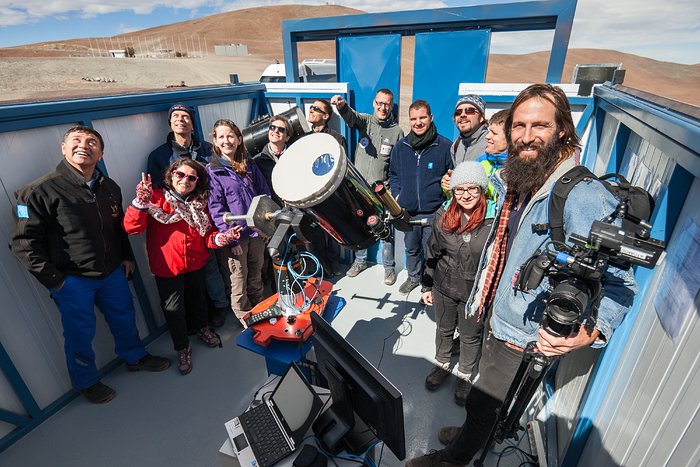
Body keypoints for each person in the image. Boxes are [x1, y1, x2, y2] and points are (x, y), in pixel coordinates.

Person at [405, 84, 637, 466]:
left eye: (540, 126)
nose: (527, 136)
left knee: (483, 400)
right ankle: (473, 436)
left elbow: (619, 283)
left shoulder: (582, 196)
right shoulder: (519, 179)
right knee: (485, 398)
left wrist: (592, 331)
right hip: (495, 310)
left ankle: (454, 457)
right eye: (519, 126)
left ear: (562, 129)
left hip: (522, 330)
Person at [10, 126, 171, 404]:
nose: (84, 145)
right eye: (77, 141)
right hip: (73, 281)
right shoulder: (38, 191)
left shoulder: (109, 187)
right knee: (79, 334)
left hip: (112, 274)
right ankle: (86, 382)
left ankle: (134, 357)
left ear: (101, 152)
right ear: (63, 148)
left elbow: (117, 227)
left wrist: (126, 256)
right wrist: (57, 281)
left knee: (124, 317)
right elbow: (24, 243)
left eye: (92, 142)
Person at [123, 160, 241, 375]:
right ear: (171, 175)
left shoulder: (200, 204)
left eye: (191, 178)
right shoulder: (155, 199)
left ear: (198, 182)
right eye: (180, 174)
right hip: (167, 268)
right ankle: (182, 347)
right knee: (174, 311)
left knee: (199, 301)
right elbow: (132, 228)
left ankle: (203, 329)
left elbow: (209, 238)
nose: (184, 180)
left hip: (196, 263)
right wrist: (141, 201)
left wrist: (223, 238)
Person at [146, 103, 230, 328]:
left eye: (185, 116)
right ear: (170, 123)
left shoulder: (208, 149)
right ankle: (194, 322)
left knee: (213, 266)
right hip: (177, 222)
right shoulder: (159, 155)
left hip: (207, 214)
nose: (180, 120)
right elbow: (156, 192)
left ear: (193, 123)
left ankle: (221, 306)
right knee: (191, 276)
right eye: (175, 116)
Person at [421, 161, 495, 406]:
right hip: (444, 286)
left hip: (474, 292)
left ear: (482, 189)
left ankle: (464, 375)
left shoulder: (493, 221)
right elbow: (431, 253)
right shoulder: (442, 216)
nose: (466, 195)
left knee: (469, 337)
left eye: (472, 189)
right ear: (452, 192)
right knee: (443, 329)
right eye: (459, 189)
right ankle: (441, 365)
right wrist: (426, 286)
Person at [331, 89, 404, 285]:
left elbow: (397, 165)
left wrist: (394, 191)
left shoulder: (397, 132)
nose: (383, 107)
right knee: (359, 226)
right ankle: (360, 261)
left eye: (387, 104)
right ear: (374, 103)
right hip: (358, 188)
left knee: (385, 230)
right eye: (379, 103)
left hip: (382, 191)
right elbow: (351, 117)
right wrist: (342, 105)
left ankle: (389, 269)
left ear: (391, 105)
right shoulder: (366, 122)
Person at [208, 119, 272, 324]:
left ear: (238, 139)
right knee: (238, 279)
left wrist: (264, 228)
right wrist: (232, 240)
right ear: (216, 141)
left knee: (256, 273)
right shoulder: (213, 172)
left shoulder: (249, 164)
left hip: (256, 233)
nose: (227, 141)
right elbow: (216, 209)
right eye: (222, 137)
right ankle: (245, 317)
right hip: (236, 239)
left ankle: (259, 305)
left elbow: (264, 195)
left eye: (230, 136)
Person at [388, 99, 453, 295]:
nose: (418, 122)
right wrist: (397, 194)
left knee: (431, 250)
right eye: (414, 118)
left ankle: (428, 283)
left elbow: (451, 175)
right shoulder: (401, 147)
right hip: (408, 212)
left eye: (422, 117)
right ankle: (413, 277)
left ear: (431, 118)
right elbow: (394, 174)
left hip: (434, 211)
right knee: (411, 249)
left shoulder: (444, 146)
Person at [251, 115, 292, 206]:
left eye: (281, 129)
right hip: (273, 210)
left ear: (287, 137)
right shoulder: (257, 161)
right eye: (272, 127)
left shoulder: (294, 156)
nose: (276, 131)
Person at [475, 108, 510, 199]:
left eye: (494, 133)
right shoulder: (479, 164)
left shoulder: (522, 169)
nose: (487, 136)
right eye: (489, 131)